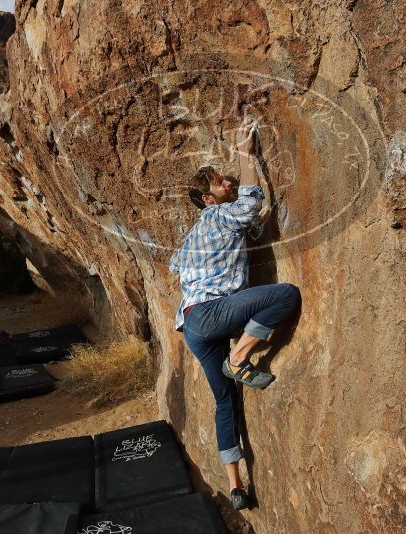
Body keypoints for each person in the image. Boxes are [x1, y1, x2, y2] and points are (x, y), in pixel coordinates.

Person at [168, 117, 302, 511]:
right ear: (208, 200)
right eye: (219, 181)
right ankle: (239, 356)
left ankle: (236, 486)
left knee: (225, 400)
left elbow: (175, 263)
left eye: (228, 176)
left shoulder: (196, 232)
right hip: (211, 315)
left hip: (194, 326)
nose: (228, 181)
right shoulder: (214, 216)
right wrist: (246, 156)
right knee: (286, 295)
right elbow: (249, 205)